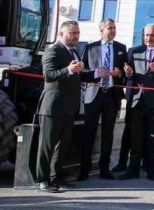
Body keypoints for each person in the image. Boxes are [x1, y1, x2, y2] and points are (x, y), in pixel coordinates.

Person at [36, 21, 86, 192]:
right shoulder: (53, 50)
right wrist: (70, 70)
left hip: (69, 107)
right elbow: (48, 75)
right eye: (72, 33)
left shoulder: (74, 52)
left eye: (77, 33)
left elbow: (78, 75)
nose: (76, 36)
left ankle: (56, 177)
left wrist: (94, 73)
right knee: (47, 144)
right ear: (61, 34)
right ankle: (42, 179)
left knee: (63, 145)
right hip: (53, 106)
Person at [121, 24, 154, 181]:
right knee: (135, 136)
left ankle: (151, 169)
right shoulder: (134, 51)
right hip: (137, 100)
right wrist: (129, 74)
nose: (148, 38)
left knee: (153, 137)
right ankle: (133, 169)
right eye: (146, 35)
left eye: (151, 35)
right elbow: (129, 76)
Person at [80, 18, 127, 181]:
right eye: (109, 28)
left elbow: (125, 71)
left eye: (114, 27)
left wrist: (119, 72)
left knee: (108, 134)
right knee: (89, 133)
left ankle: (104, 169)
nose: (113, 30)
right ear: (101, 31)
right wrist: (95, 73)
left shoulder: (121, 48)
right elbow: (82, 71)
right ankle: (84, 170)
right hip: (94, 94)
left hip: (112, 95)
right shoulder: (90, 48)